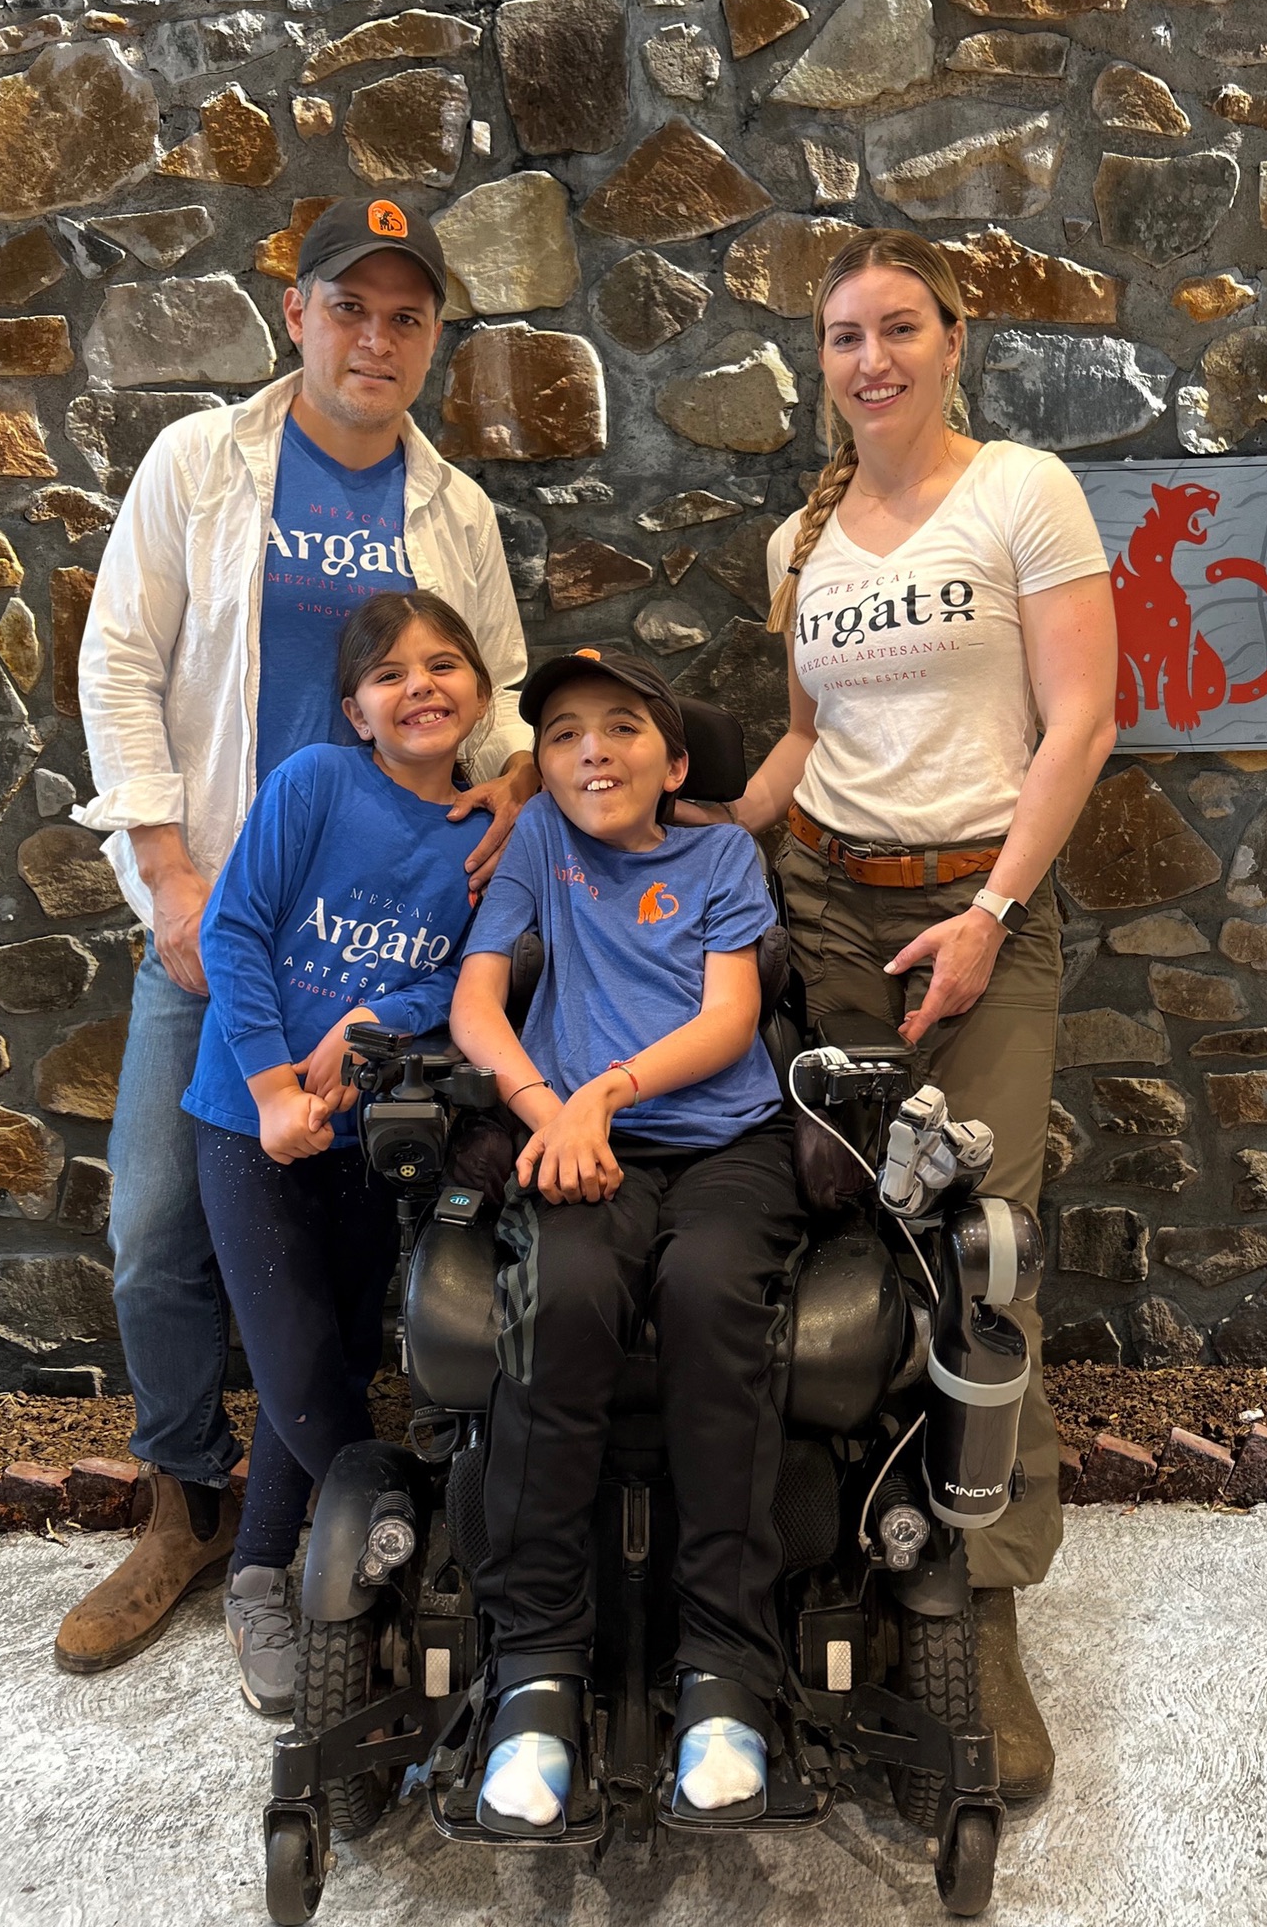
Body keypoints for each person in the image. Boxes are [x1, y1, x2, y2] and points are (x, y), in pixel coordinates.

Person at [60, 198, 538, 1677]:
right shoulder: (203, 466)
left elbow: (502, 692)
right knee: (155, 1237)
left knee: (334, 1258)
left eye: (407, 318)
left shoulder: (451, 509)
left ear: (433, 339)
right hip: (212, 925)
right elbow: (119, 658)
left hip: (372, 955)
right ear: (297, 313)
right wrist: (168, 875)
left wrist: (512, 792)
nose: (376, 339)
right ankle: (181, 1504)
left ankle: (309, 1525)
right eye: (351, 309)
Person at [726, 228, 1118, 1802]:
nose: (869, 359)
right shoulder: (799, 540)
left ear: (953, 340)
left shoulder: (1023, 492)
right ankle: (868, 1552)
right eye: (840, 336)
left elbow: (1083, 716)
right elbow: (797, 748)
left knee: (985, 1249)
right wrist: (643, 840)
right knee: (853, 1241)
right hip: (827, 910)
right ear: (817, 364)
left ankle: (983, 1589)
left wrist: (992, 914)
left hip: (979, 918)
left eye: (897, 328)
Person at [448, 646, 805, 1834]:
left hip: (718, 1140)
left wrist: (602, 1090)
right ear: (538, 765)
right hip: (574, 1139)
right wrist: (552, 1113)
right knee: (558, 1303)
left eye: (620, 728)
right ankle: (535, 1668)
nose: (590, 747)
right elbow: (476, 1004)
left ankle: (725, 1670)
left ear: (675, 760)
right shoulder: (540, 846)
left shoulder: (721, 854)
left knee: (710, 1292)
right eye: (559, 734)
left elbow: (730, 1017)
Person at [186, 593, 493, 1711]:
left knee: (339, 1343)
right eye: (391, 673)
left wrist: (366, 1024)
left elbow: (458, 977)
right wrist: (271, 1085)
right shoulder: (314, 781)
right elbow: (234, 928)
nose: (419, 685)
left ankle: (272, 1553)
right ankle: (356, 1546)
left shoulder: (482, 831)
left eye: (444, 663)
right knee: (291, 1352)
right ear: (357, 708)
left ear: (478, 690)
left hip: (371, 1130)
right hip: (245, 1117)